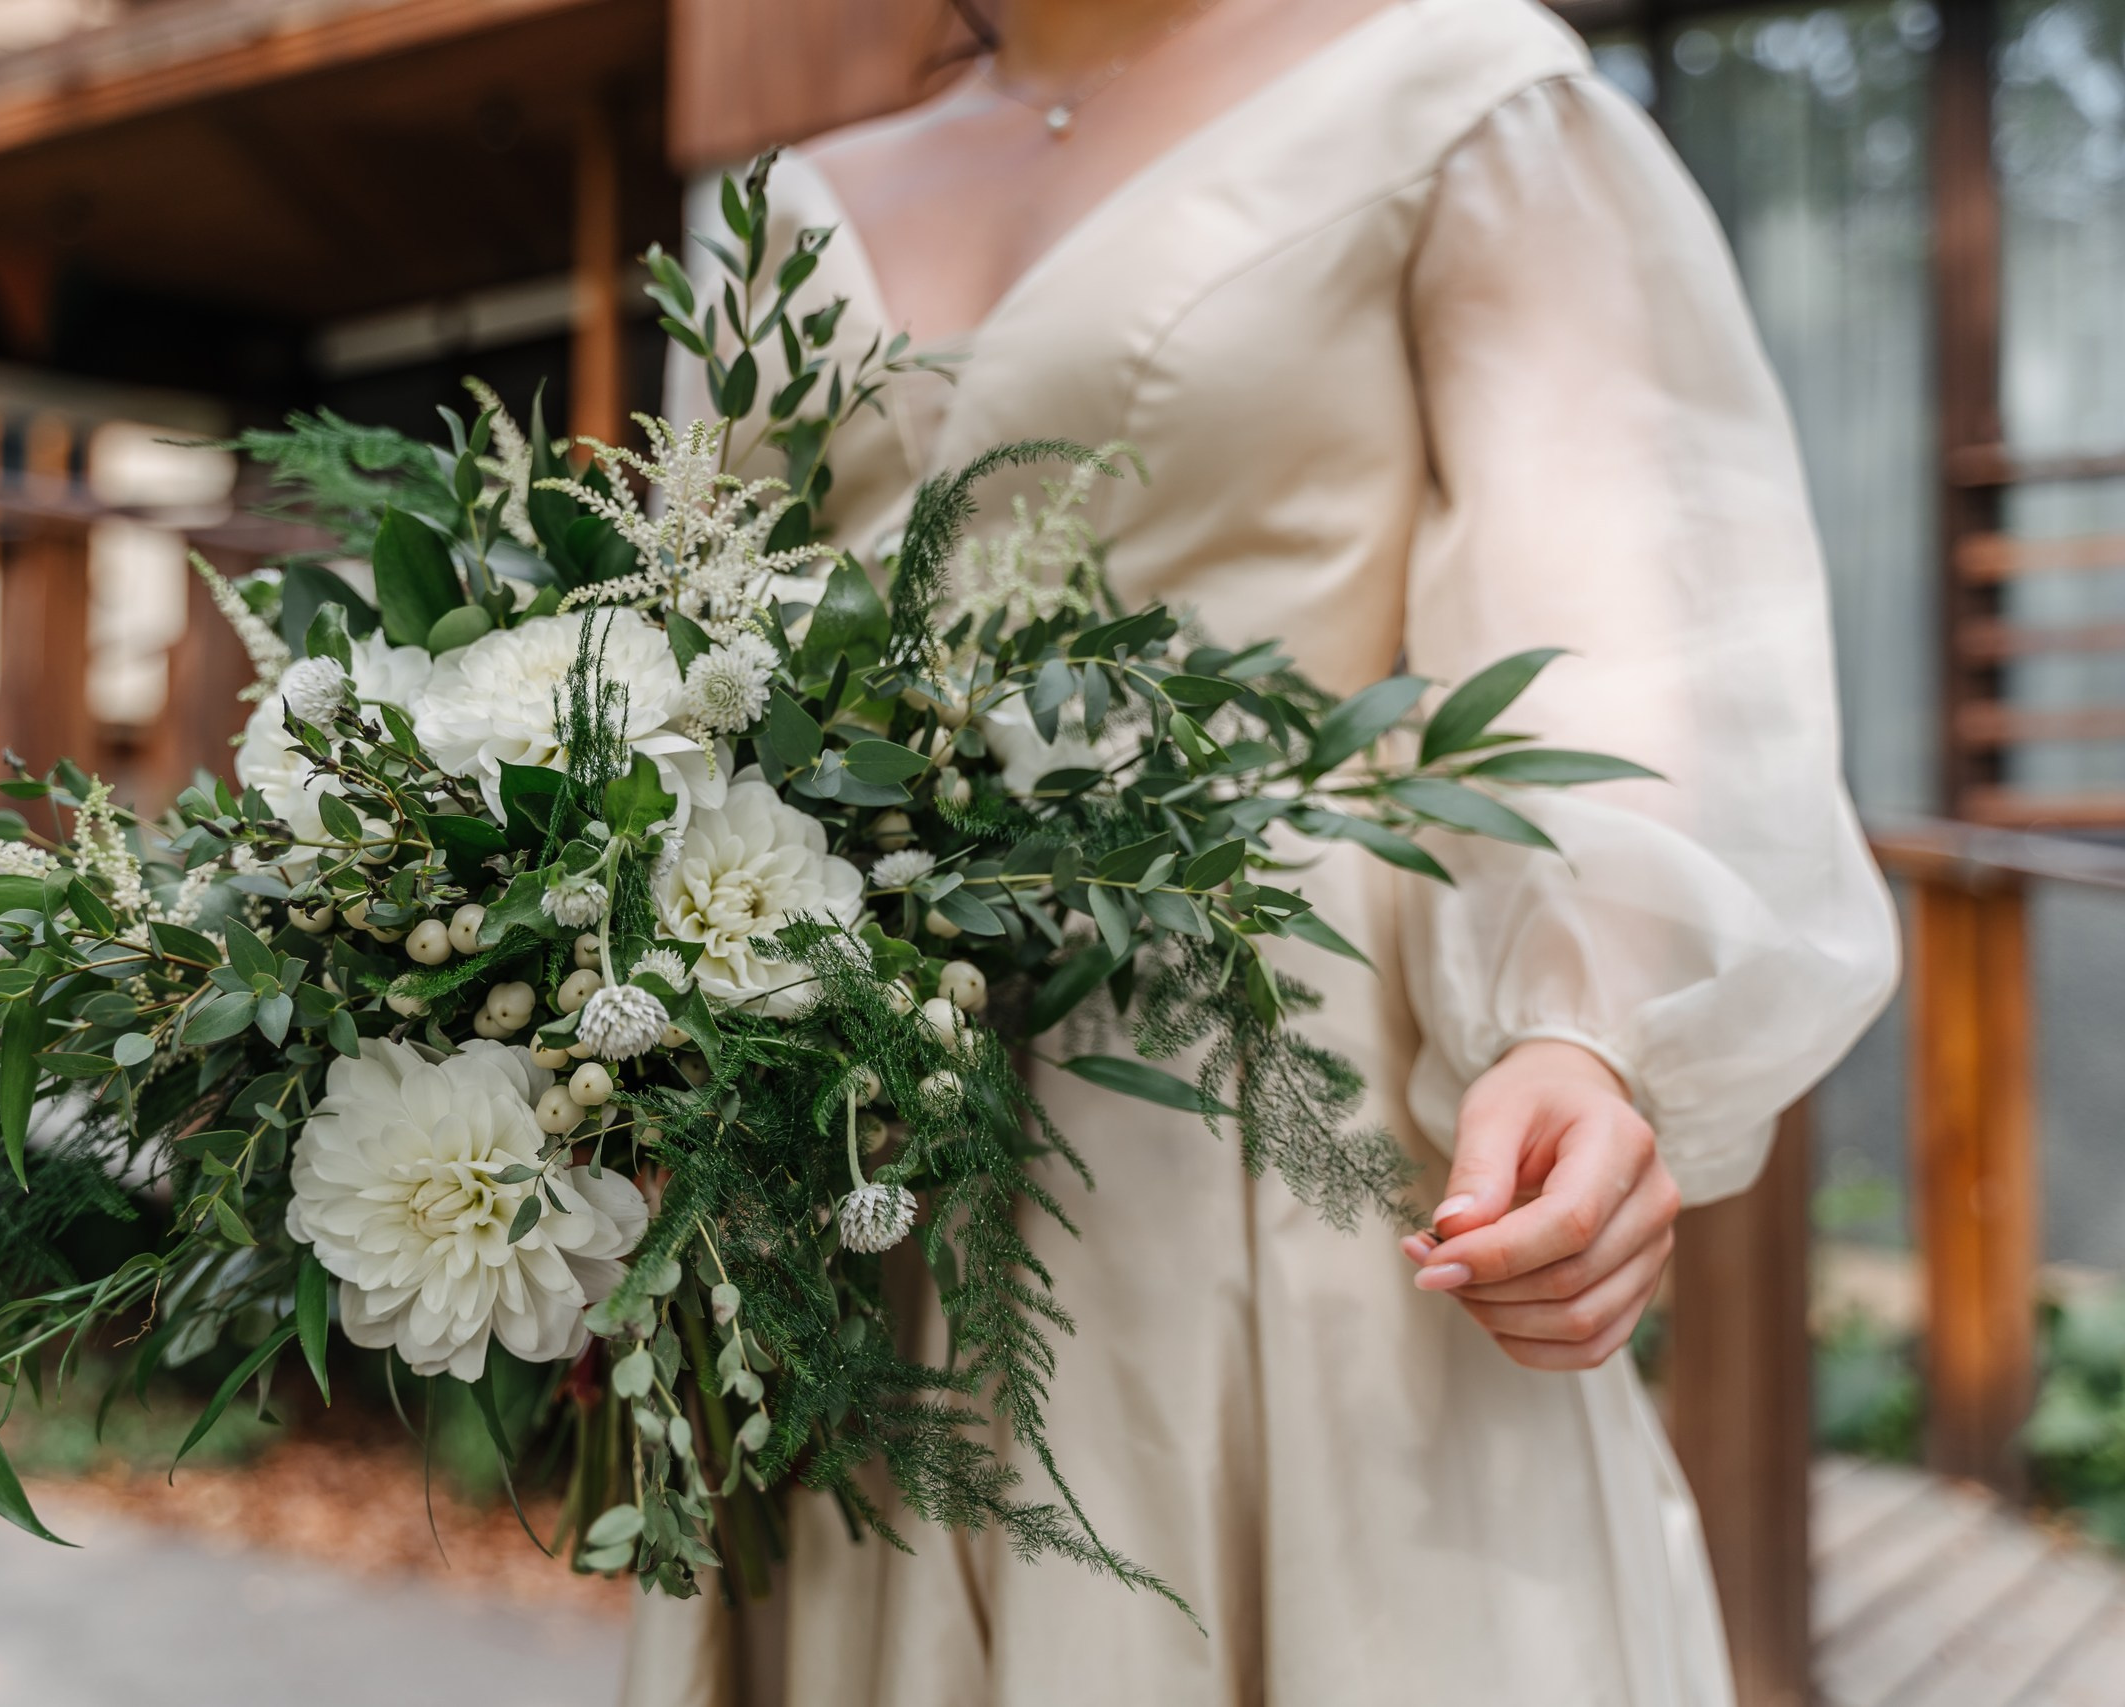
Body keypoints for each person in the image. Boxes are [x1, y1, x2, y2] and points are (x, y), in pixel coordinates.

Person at [630, 0, 1900, 1699]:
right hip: (858, 1164)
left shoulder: (1453, 91)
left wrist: (1574, 1030)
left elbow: (1605, 599)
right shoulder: (774, 212)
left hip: (1289, 1121)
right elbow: (674, 662)